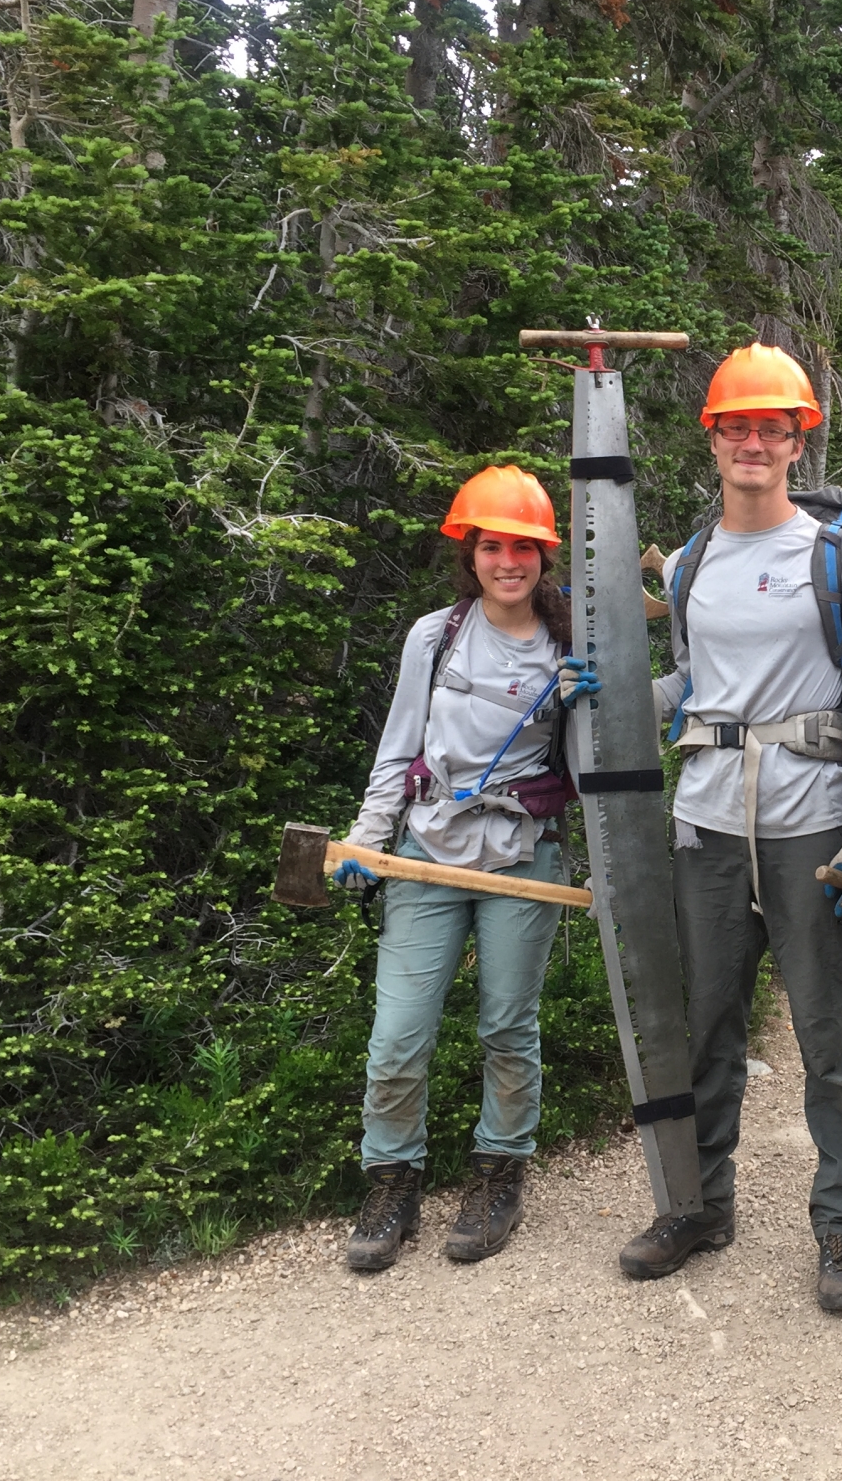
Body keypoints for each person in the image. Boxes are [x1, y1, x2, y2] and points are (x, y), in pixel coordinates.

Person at [605, 343, 842, 1313]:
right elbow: (694, 681)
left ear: (797, 444)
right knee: (707, 1027)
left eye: (774, 428)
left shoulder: (837, 562)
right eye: (738, 427)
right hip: (707, 822)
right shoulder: (687, 564)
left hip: (807, 821)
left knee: (826, 1031)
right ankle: (698, 1204)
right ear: (714, 439)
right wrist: (613, 706)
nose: (754, 444)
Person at [333, 465, 595, 1273]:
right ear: (469, 552)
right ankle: (391, 1181)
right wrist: (365, 840)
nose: (508, 561)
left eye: (523, 546)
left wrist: (596, 700)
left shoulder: (569, 642)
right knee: (397, 1034)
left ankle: (498, 1173)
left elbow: (599, 771)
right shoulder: (434, 636)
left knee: (507, 1026)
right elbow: (398, 748)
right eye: (492, 545)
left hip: (523, 854)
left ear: (544, 555)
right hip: (426, 850)